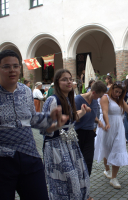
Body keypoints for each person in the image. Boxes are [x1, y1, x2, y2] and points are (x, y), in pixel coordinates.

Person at [0, 49, 68, 200]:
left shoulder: (25, 91)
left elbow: (31, 119)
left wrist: (51, 118)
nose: (12, 70)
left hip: (29, 155)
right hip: (3, 160)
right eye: (6, 66)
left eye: (16, 66)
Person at [41, 69, 92, 200]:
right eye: (64, 79)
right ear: (57, 82)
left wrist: (82, 112)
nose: (69, 82)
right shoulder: (52, 100)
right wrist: (57, 125)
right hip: (56, 145)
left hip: (70, 144)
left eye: (70, 79)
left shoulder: (69, 99)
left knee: (78, 175)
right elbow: (44, 128)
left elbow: (70, 119)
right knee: (65, 179)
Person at [94, 81, 128, 189]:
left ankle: (114, 178)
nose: (118, 94)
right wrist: (107, 123)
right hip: (107, 126)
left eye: (120, 92)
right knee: (107, 149)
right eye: (116, 92)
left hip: (119, 127)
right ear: (112, 89)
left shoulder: (120, 100)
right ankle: (107, 170)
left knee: (118, 149)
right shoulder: (105, 97)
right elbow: (105, 112)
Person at [75, 81, 107, 176]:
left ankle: (86, 182)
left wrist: (98, 121)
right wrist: (82, 111)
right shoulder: (78, 99)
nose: (100, 98)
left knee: (88, 159)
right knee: (78, 159)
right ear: (93, 92)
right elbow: (73, 116)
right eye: (99, 96)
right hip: (78, 132)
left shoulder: (94, 101)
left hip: (90, 133)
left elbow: (93, 115)